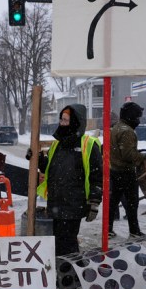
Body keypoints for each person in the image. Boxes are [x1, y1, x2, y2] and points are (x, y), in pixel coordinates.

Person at [34, 105, 102, 256]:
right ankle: (62, 272)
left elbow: (96, 176)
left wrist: (94, 201)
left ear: (76, 122)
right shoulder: (58, 144)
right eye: (61, 120)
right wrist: (38, 159)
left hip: (73, 204)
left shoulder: (88, 144)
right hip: (56, 202)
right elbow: (50, 169)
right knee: (59, 242)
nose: (62, 123)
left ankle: (70, 275)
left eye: (66, 120)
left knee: (68, 243)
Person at [109, 101, 146, 238]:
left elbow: (120, 150)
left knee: (113, 202)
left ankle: (108, 229)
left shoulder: (116, 127)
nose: (138, 121)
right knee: (132, 203)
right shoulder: (127, 131)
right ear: (131, 117)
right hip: (125, 172)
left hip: (115, 170)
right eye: (137, 117)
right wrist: (143, 156)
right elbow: (128, 155)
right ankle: (134, 231)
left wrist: (134, 151)